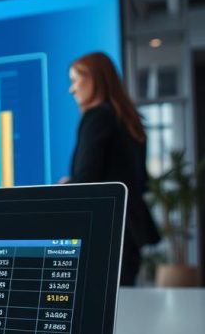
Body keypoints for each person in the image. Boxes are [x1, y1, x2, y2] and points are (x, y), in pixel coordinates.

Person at [64, 52, 160, 286]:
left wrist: (67, 185)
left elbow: (87, 180)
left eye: (76, 80)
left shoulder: (97, 117)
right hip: (129, 234)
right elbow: (139, 180)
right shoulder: (129, 120)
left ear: (95, 79)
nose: (72, 89)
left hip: (105, 235)